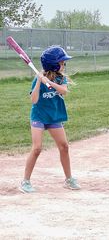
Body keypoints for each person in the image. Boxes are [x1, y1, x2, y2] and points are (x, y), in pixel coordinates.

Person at [19, 46, 81, 193]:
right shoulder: (38, 79)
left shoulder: (61, 78)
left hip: (53, 117)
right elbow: (34, 100)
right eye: (61, 62)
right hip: (39, 116)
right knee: (37, 148)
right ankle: (25, 181)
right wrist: (40, 81)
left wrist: (50, 82)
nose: (64, 64)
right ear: (53, 64)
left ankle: (68, 179)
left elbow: (64, 91)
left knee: (64, 146)